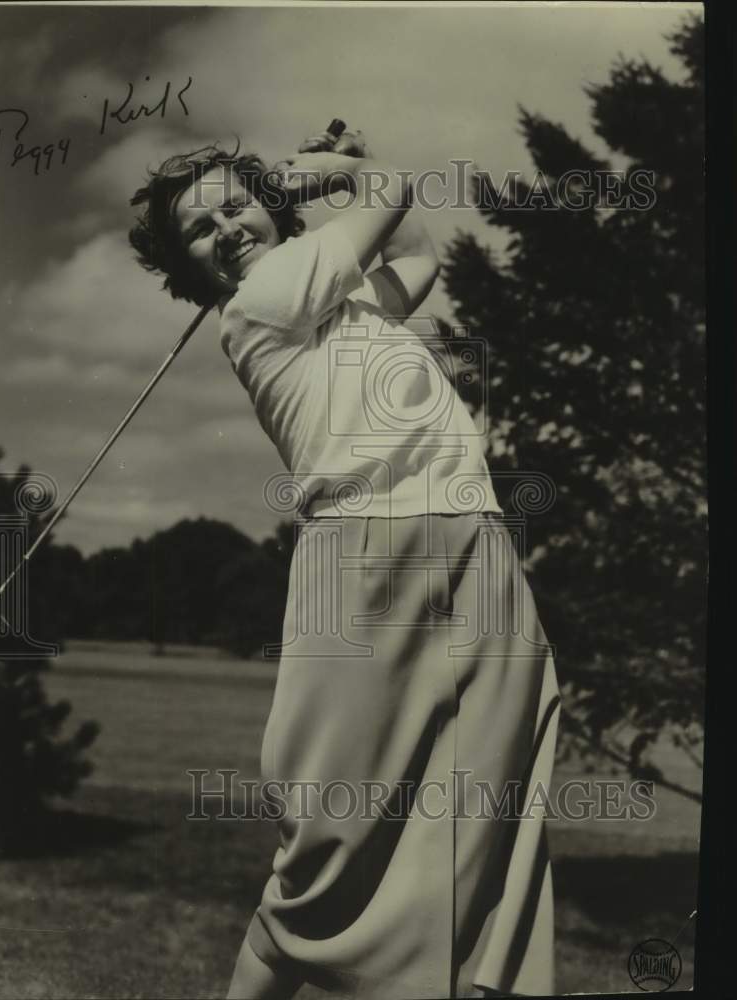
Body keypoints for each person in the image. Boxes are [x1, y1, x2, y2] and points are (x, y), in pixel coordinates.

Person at [129, 129, 560, 1000]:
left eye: (233, 205)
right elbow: (392, 194)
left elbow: (415, 251)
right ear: (196, 270)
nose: (225, 229)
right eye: (200, 231)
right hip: (369, 550)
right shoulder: (261, 298)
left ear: (269, 210)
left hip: (472, 536)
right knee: (333, 835)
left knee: (490, 792)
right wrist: (332, 173)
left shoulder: (350, 307)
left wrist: (339, 174)